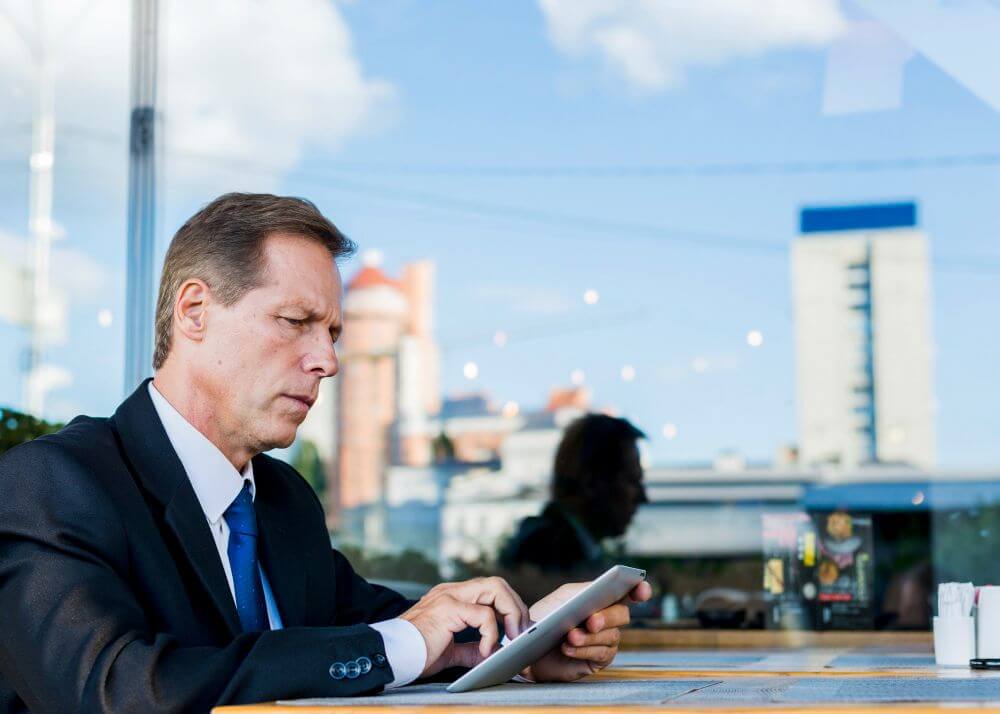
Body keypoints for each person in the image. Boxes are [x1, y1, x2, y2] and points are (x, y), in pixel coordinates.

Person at [0, 193, 651, 713]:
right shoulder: (54, 485)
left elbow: (376, 626)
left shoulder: (282, 501)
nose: (328, 361)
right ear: (195, 311)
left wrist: (520, 642)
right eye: (296, 322)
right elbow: (115, 692)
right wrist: (405, 640)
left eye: (334, 333)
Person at [499, 414, 647, 603]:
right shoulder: (546, 551)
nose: (643, 497)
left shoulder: (565, 548)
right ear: (593, 481)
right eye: (632, 480)